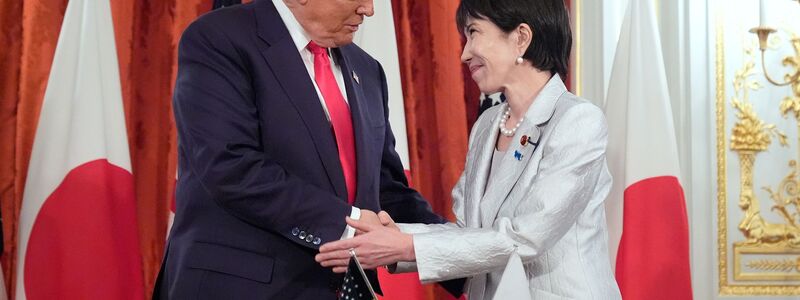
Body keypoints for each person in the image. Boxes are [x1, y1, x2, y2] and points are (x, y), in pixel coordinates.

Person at [316, 0, 622, 299]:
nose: (464, 54)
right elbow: (470, 234)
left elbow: (526, 237)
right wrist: (394, 234)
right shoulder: (488, 125)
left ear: (521, 38)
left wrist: (407, 246)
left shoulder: (578, 121)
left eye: (474, 32)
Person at [152, 0, 457, 298]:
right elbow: (230, 165)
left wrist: (474, 262)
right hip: (240, 286)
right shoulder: (220, 38)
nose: (369, 9)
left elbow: (386, 191)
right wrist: (350, 226)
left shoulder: (367, 69)